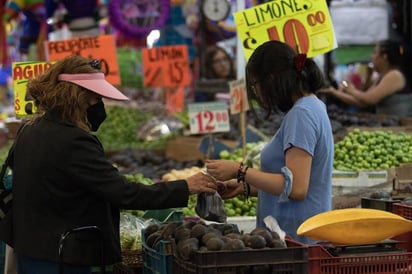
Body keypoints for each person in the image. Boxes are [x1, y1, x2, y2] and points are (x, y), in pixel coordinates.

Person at [0, 55, 217, 274]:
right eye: (95, 98)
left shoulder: (29, 130)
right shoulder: (74, 141)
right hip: (62, 257)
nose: (99, 105)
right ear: (77, 97)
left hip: (30, 249)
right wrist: (185, 187)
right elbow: (124, 193)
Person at [205, 40, 334, 244]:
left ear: (271, 78)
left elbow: (297, 188)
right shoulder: (311, 106)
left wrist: (240, 171)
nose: (257, 94)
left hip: (297, 240)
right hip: (296, 236)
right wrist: (247, 187)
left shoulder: (302, 114)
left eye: (256, 86)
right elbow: (291, 182)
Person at [320, 39, 412, 117]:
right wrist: (334, 92)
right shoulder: (383, 76)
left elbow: (369, 99)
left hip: (402, 126)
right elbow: (362, 102)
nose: (372, 57)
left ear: (384, 57)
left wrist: (351, 90)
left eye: (375, 53)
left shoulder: (394, 75)